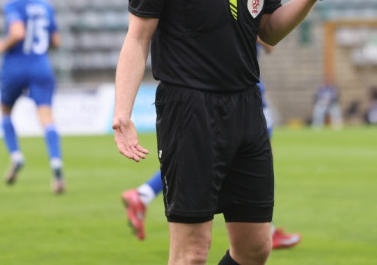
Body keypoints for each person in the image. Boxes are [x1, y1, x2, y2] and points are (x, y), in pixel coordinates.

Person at [113, 0, 331, 265]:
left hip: (246, 107)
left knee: (255, 249)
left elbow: (268, 30)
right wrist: (122, 113)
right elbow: (137, 39)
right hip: (189, 110)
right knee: (192, 253)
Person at [121, 39, 301, 249]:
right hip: (236, 91)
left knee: (226, 159)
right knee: (237, 159)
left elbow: (269, 39)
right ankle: (261, 229)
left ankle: (143, 194)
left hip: (243, 90)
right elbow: (268, 41)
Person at [0, 0, 65, 194]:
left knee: (5, 111)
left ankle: (16, 155)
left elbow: (18, 32)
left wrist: (2, 45)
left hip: (15, 65)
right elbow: (56, 41)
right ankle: (56, 164)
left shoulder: (13, 4)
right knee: (46, 117)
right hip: (41, 65)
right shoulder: (45, 5)